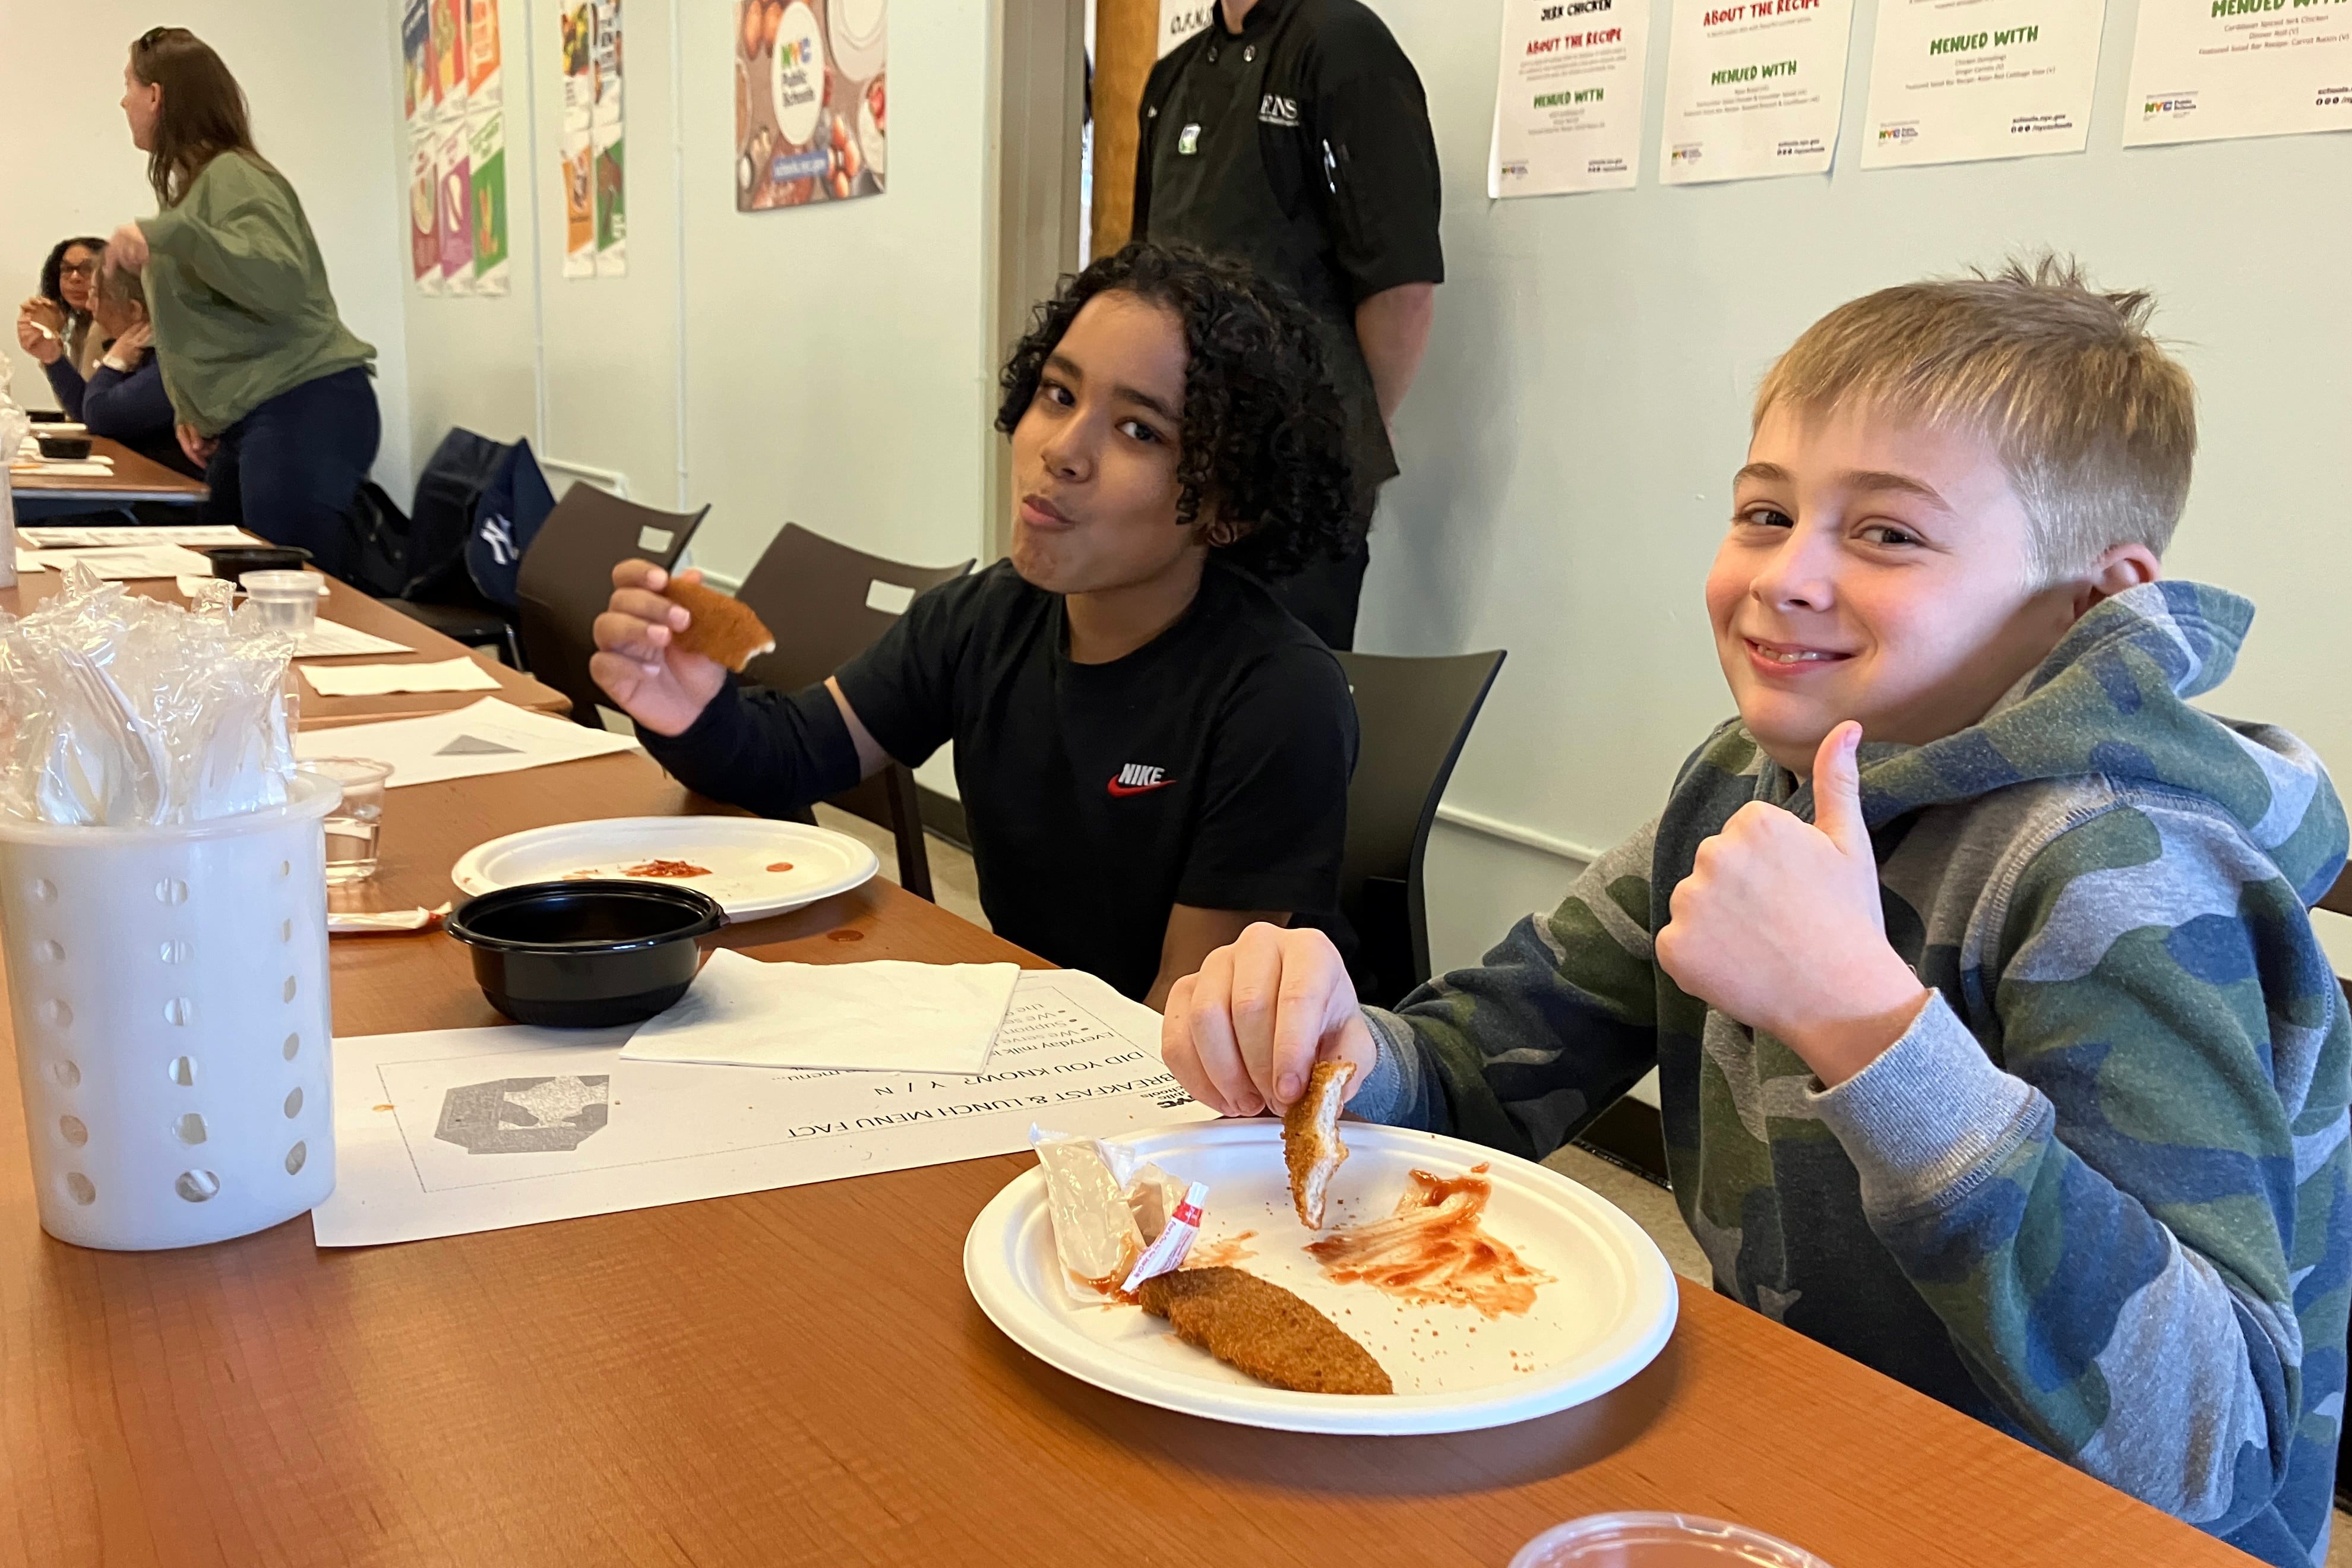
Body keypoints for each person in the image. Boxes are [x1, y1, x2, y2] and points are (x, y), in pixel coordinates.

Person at [1161, 259, 2350, 1567]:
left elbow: (2209, 1439)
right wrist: (1339, 1044)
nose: (1788, 575)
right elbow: (1481, 1067)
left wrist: (1872, 1029)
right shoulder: (1746, 782)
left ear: (2092, 597)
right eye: (1766, 512)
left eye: (1887, 532)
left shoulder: (2121, 869)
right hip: (1820, 1460)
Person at [593, 242, 1360, 1007]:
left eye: (1140, 431)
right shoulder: (982, 618)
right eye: (1059, 394)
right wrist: (692, 708)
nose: (1062, 450)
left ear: (1230, 507)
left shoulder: (1278, 699)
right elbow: (792, 755)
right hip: (1031, 1028)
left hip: (1179, 1088)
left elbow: (1187, 1026)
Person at [1133, 0, 1443, 650]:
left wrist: (1344, 432)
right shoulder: (1172, 77)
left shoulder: (1342, 46)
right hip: (1182, 467)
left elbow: (1402, 285)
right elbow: (1145, 280)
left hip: (1298, 471)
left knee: (1274, 708)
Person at [103, 27, 378, 573]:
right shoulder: (203, 185)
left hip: (301, 405)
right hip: (260, 415)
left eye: (128, 86)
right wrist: (192, 408)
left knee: (287, 602)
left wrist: (167, 234)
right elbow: (215, 318)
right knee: (234, 593)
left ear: (156, 96)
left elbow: (278, 282)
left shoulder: (234, 175)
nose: (123, 101)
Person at [21, 253, 198, 481]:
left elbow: (99, 415)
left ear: (134, 310)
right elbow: (88, 411)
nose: (89, 305)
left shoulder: (172, 361)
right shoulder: (145, 349)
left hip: (170, 501)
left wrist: (113, 363)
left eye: (95, 295)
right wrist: (53, 358)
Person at [16, 238, 108, 382]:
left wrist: (53, 356)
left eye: (87, 269)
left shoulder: (105, 327)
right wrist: (48, 340)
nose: (75, 277)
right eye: (67, 269)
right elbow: (73, 401)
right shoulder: (79, 324)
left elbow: (84, 403)